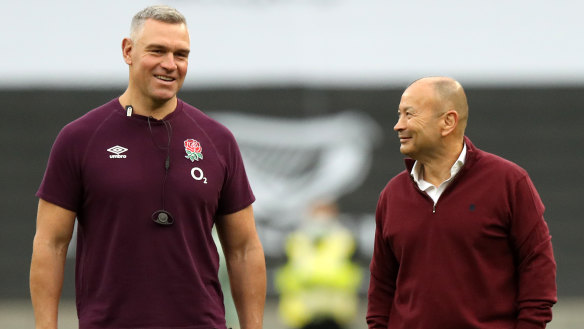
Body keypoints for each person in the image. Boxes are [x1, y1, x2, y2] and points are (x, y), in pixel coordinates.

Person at [30, 5, 266, 329]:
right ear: (128, 51)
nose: (170, 65)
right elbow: (50, 243)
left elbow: (244, 249)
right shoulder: (79, 138)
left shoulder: (217, 140)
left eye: (180, 54)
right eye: (157, 51)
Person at [367, 77, 557, 329]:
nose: (398, 125)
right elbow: (381, 286)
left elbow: (538, 270)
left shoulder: (509, 182)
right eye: (399, 114)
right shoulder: (392, 194)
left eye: (409, 115)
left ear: (448, 122)